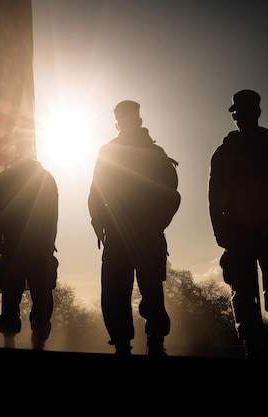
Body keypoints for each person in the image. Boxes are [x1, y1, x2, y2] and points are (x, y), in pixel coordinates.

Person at [208, 89, 268, 360]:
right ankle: (266, 345)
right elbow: (216, 198)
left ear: (254, 113)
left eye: (241, 111)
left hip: (260, 228)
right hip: (250, 229)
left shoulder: (263, 146)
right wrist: (222, 231)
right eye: (237, 112)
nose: (238, 116)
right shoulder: (241, 149)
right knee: (253, 289)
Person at [88, 100, 180, 356]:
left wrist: (156, 223)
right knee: (121, 291)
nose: (125, 124)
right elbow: (96, 193)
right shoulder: (118, 151)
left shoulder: (151, 153)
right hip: (125, 233)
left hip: (137, 233)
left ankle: (150, 343)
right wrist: (99, 223)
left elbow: (171, 194)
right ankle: (128, 344)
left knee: (145, 290)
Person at [0, 131, 59, 350]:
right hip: (35, 247)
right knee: (37, 298)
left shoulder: (6, 179)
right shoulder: (45, 178)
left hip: (17, 247)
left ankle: (16, 339)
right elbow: (53, 216)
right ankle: (34, 340)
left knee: (15, 297)